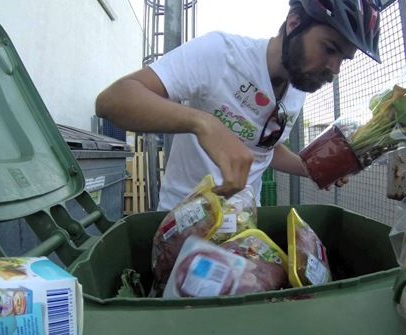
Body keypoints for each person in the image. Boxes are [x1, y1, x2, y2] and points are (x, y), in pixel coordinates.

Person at [96, 0, 382, 211]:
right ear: (294, 23)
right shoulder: (221, 53)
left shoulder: (299, 83)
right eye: (329, 49)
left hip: (244, 224)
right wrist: (204, 124)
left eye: (343, 59)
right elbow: (113, 100)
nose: (334, 69)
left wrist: (312, 168)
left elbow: (261, 147)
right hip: (184, 218)